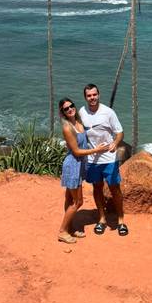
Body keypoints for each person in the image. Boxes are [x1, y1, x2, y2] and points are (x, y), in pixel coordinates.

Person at [58, 97, 110, 244]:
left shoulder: (78, 123)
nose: (70, 109)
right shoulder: (67, 128)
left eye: (71, 106)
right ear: (62, 112)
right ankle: (62, 231)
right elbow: (76, 151)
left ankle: (69, 227)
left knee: (69, 198)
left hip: (79, 165)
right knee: (78, 201)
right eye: (66, 109)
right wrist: (96, 150)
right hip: (73, 165)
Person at [79, 84, 128, 236]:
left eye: (94, 95)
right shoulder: (82, 111)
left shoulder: (108, 113)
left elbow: (119, 132)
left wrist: (115, 143)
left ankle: (121, 221)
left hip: (109, 159)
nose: (92, 98)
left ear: (99, 95)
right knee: (97, 188)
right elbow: (78, 130)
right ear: (85, 97)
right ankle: (102, 219)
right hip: (92, 159)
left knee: (115, 189)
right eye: (89, 95)